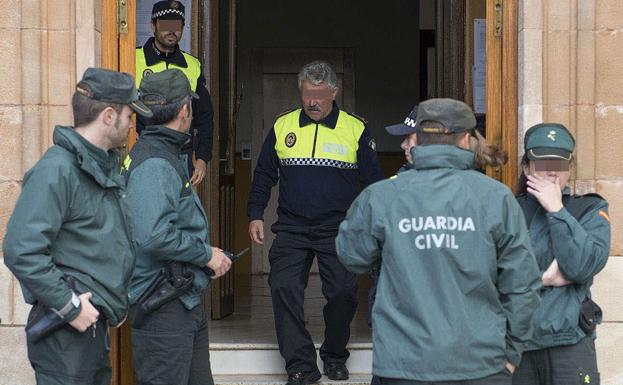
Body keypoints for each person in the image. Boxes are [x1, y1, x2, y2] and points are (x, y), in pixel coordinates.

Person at [336, 98, 542, 385]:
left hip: (403, 365)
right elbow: (523, 285)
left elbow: (352, 256)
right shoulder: (496, 197)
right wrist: (510, 354)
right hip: (481, 365)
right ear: (467, 139)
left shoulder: (383, 196)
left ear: (417, 139)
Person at [2, 67, 152, 385]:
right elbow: (20, 249)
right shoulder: (57, 170)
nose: (131, 126)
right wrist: (69, 306)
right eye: (129, 116)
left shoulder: (97, 165)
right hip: (65, 336)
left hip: (91, 332)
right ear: (109, 116)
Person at [247, 60, 385, 385]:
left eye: (320, 97)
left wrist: (378, 224)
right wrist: (255, 213)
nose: (313, 103)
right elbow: (264, 173)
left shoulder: (355, 128)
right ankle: (300, 365)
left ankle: (335, 355)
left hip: (339, 230)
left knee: (343, 294)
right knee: (283, 288)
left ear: (334, 92)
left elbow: (375, 183)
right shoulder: (283, 126)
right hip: (292, 229)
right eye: (307, 96)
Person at [122, 68, 231, 385]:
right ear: (185, 110)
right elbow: (153, 234)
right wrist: (205, 254)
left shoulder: (166, 152)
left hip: (181, 297)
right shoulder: (155, 161)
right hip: (163, 304)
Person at [512, 123, 610, 385]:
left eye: (558, 163)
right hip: (517, 343)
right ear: (526, 167)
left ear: (570, 168)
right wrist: (543, 279)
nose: (551, 171)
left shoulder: (589, 208)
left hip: (570, 342)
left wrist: (556, 209)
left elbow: (581, 265)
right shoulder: (508, 210)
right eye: (542, 162)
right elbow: (492, 272)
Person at [136, 0, 214, 185]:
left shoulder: (192, 65)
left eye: (177, 26)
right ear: (153, 26)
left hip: (181, 154)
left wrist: (202, 158)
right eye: (165, 25)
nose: (172, 31)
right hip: (144, 150)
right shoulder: (133, 58)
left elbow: (205, 115)